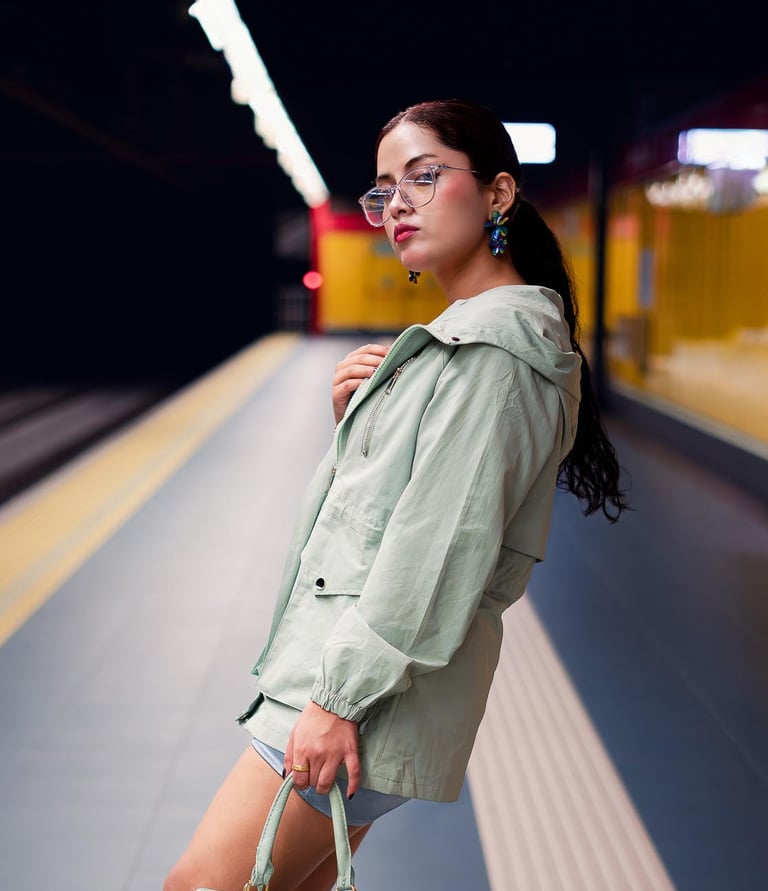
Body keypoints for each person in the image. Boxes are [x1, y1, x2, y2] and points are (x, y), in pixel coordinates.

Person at [164, 98, 629, 891]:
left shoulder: (491, 357)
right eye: (384, 190)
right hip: (355, 680)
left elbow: (437, 549)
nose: (396, 205)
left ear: (498, 194)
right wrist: (364, 419)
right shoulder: (465, 343)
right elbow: (409, 504)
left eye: (424, 175)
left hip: (355, 692)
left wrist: (338, 701)